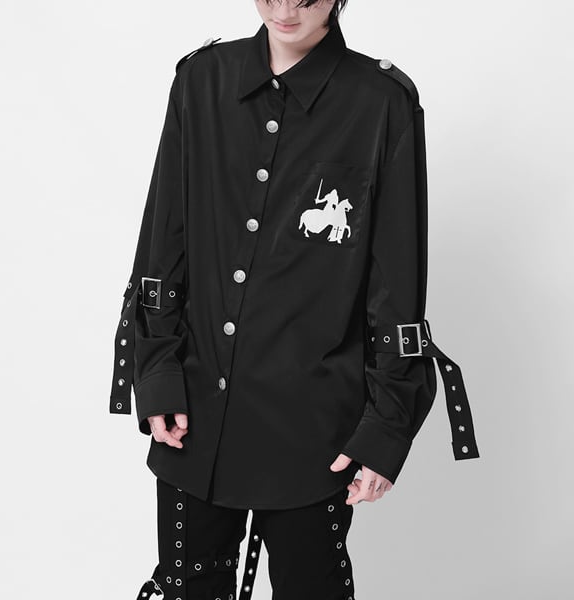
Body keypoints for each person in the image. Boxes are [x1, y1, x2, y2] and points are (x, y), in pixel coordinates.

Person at [108, 1, 480, 598]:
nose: (283, 9)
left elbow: (396, 284)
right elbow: (163, 244)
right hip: (193, 412)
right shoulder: (201, 81)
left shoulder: (382, 103)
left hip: (315, 431)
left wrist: (387, 428)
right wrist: (155, 374)